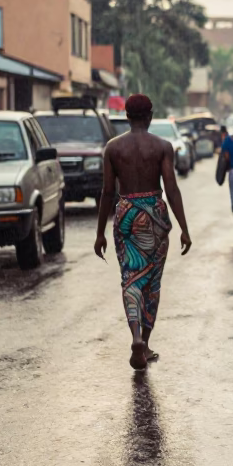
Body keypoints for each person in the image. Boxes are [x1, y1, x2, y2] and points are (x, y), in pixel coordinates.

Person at [93, 94, 192, 371]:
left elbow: (107, 193)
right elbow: (171, 188)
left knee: (131, 278)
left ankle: (136, 337)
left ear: (126, 116)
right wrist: (184, 227)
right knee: (152, 282)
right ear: (150, 116)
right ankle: (144, 344)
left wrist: (100, 232)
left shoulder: (113, 148)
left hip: (126, 213)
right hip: (154, 215)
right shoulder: (162, 146)